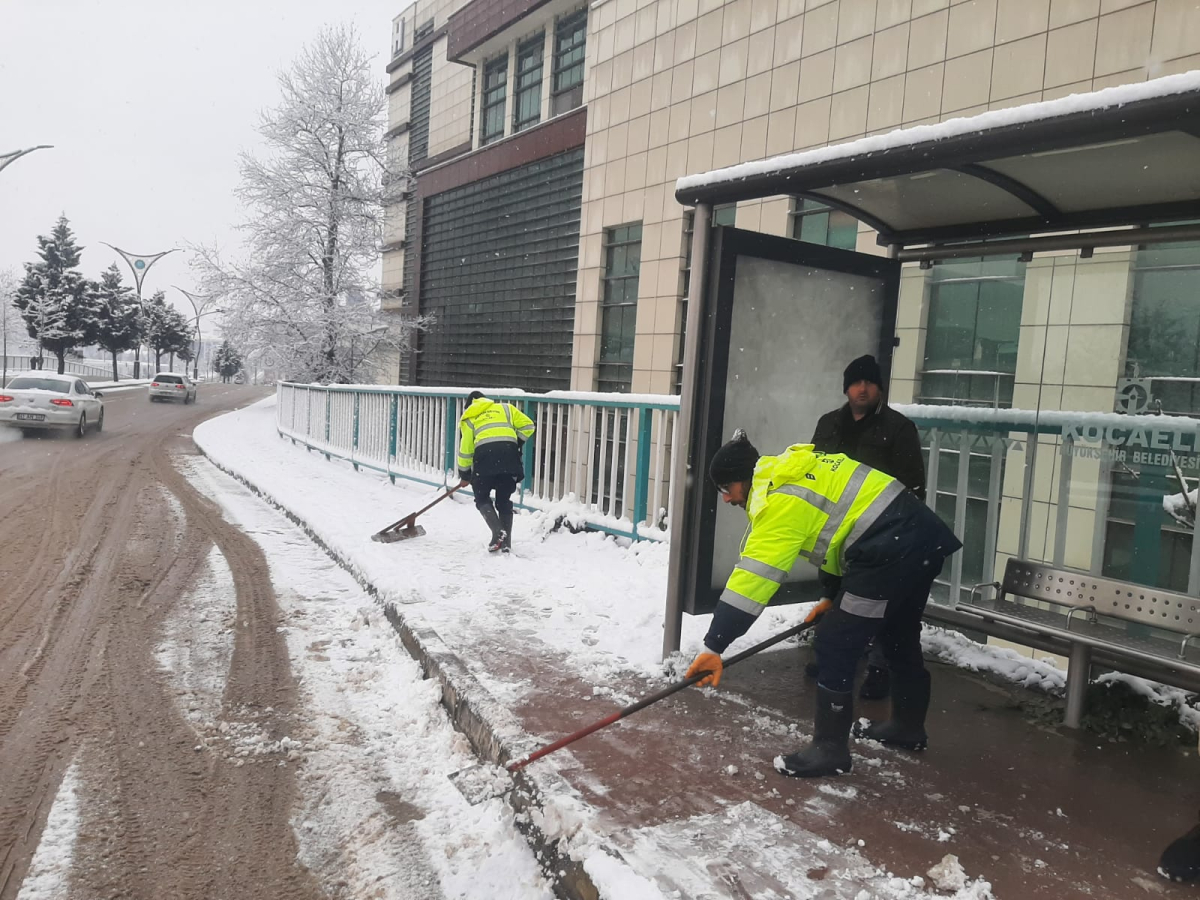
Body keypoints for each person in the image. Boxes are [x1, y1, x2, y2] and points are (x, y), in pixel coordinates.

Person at [687, 430, 961, 778]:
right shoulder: (792, 471)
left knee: (835, 642)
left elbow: (753, 582)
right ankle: (908, 727)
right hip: (918, 540)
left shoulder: (780, 500)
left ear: (743, 479)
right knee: (897, 634)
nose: (726, 499)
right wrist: (829, 597)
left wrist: (714, 646)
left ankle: (830, 751)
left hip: (888, 549)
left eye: (726, 489)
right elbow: (836, 537)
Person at [809, 354, 928, 701]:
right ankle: (832, 654)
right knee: (834, 590)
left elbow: (912, 484)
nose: (863, 389)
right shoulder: (829, 424)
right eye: (856, 383)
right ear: (846, 388)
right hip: (837, 525)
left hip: (880, 528)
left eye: (870, 383)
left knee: (879, 599)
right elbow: (814, 470)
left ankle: (879, 667)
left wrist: (894, 526)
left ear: (880, 388)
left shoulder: (899, 428)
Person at [456, 390, 535, 553]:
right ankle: (506, 544)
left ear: (469, 405)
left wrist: (464, 474)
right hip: (509, 457)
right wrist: (515, 443)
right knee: (504, 500)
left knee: (482, 497)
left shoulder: (469, 417)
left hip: (485, 460)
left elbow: (466, 450)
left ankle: (498, 532)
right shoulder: (506, 408)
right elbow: (528, 426)